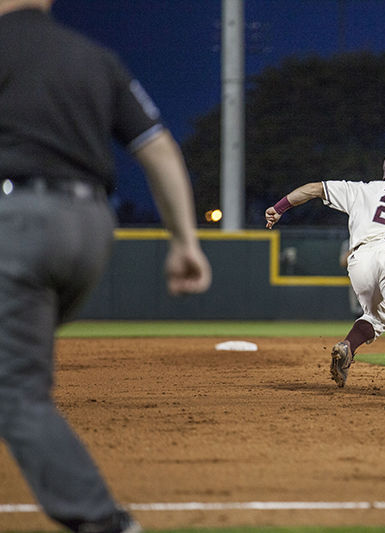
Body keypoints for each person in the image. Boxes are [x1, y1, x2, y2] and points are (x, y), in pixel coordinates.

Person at [0, 2, 212, 532]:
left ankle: (103, 523)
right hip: (90, 228)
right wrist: (185, 241)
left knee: (15, 388)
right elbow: (159, 148)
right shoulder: (95, 58)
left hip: (18, 222)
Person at [265, 148, 385, 399]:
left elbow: (314, 188)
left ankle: (347, 346)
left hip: (358, 260)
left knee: (378, 316)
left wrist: (279, 208)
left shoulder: (361, 189)